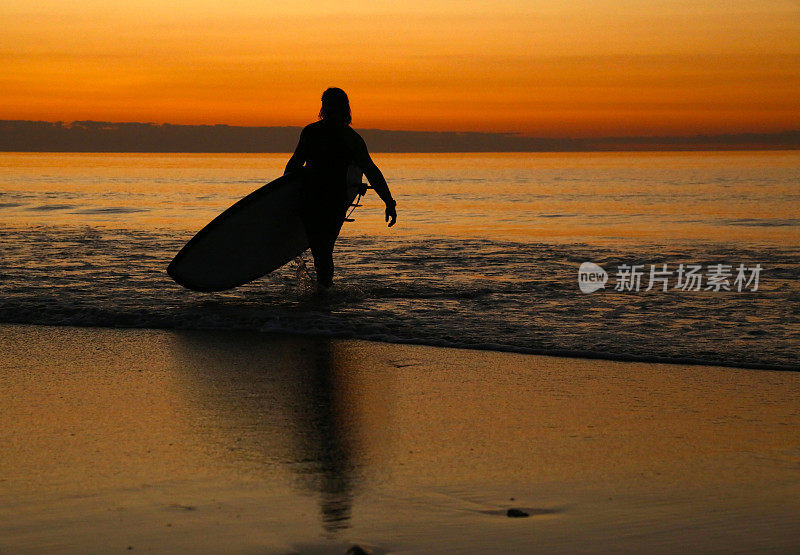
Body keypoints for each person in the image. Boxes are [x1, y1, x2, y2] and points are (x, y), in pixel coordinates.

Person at [285, 88, 397, 289]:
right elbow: (371, 171)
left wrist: (389, 202)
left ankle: (322, 296)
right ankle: (323, 296)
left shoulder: (314, 132)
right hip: (330, 200)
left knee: (321, 249)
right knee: (324, 249)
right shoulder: (349, 138)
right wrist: (389, 202)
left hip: (317, 199)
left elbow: (292, 168)